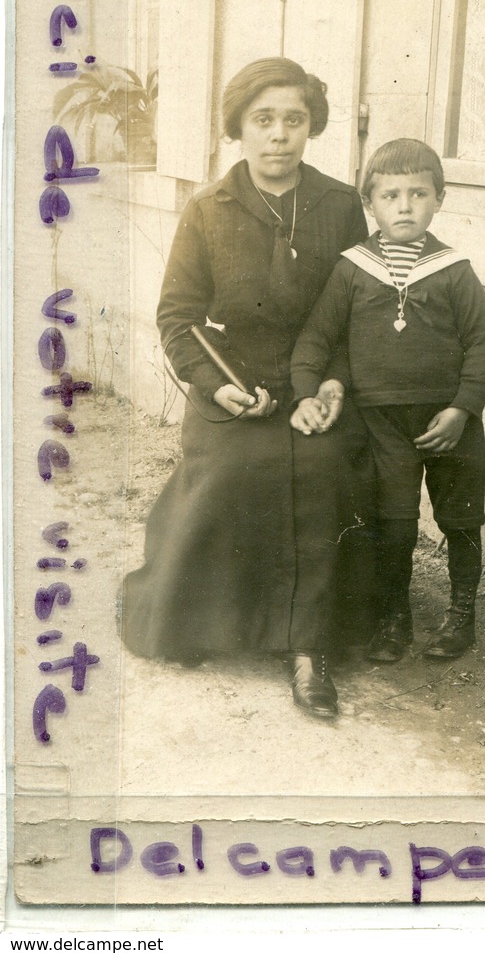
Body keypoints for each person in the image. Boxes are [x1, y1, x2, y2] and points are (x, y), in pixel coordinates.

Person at [120, 57, 373, 719]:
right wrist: (216, 387)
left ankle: (310, 647)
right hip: (233, 386)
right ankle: (212, 620)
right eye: (263, 120)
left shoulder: (342, 206)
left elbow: (356, 313)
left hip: (314, 387)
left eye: (293, 119)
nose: (279, 135)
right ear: (239, 127)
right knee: (235, 468)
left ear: (311, 125)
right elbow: (177, 317)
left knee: (322, 470)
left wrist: (333, 389)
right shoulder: (208, 209)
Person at [290, 138, 485, 664]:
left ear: (440, 199)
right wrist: (305, 389)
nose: (404, 206)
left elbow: (483, 344)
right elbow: (317, 338)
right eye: (390, 195)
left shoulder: (453, 270)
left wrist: (462, 409)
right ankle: (393, 617)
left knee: (460, 518)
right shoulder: (353, 269)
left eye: (418, 193)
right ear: (370, 204)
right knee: (394, 520)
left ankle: (462, 615)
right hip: (381, 420)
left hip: (449, 419)